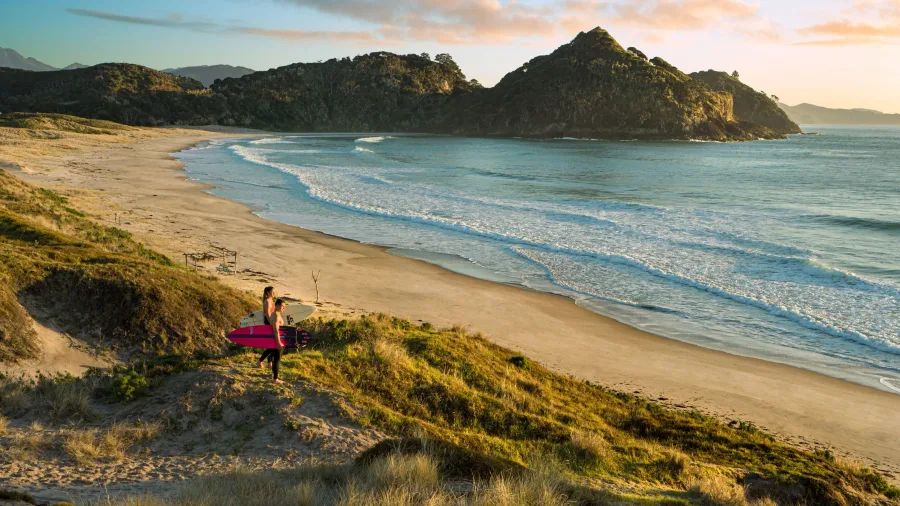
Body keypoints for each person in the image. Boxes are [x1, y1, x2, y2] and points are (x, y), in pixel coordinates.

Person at [267, 298, 287, 384]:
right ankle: (275, 379)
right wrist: (278, 342)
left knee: (275, 359)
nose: (283, 308)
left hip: (274, 339)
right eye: (282, 306)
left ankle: (275, 375)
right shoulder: (276, 315)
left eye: (284, 306)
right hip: (277, 340)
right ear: (277, 305)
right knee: (277, 360)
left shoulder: (274, 314)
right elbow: (275, 330)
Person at [257, 286, 276, 369]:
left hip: (271, 321)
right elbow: (268, 315)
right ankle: (260, 361)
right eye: (273, 291)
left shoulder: (271, 301)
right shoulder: (267, 302)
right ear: (268, 292)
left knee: (272, 344)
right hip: (269, 322)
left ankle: (269, 363)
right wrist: (272, 323)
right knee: (272, 344)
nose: (274, 293)